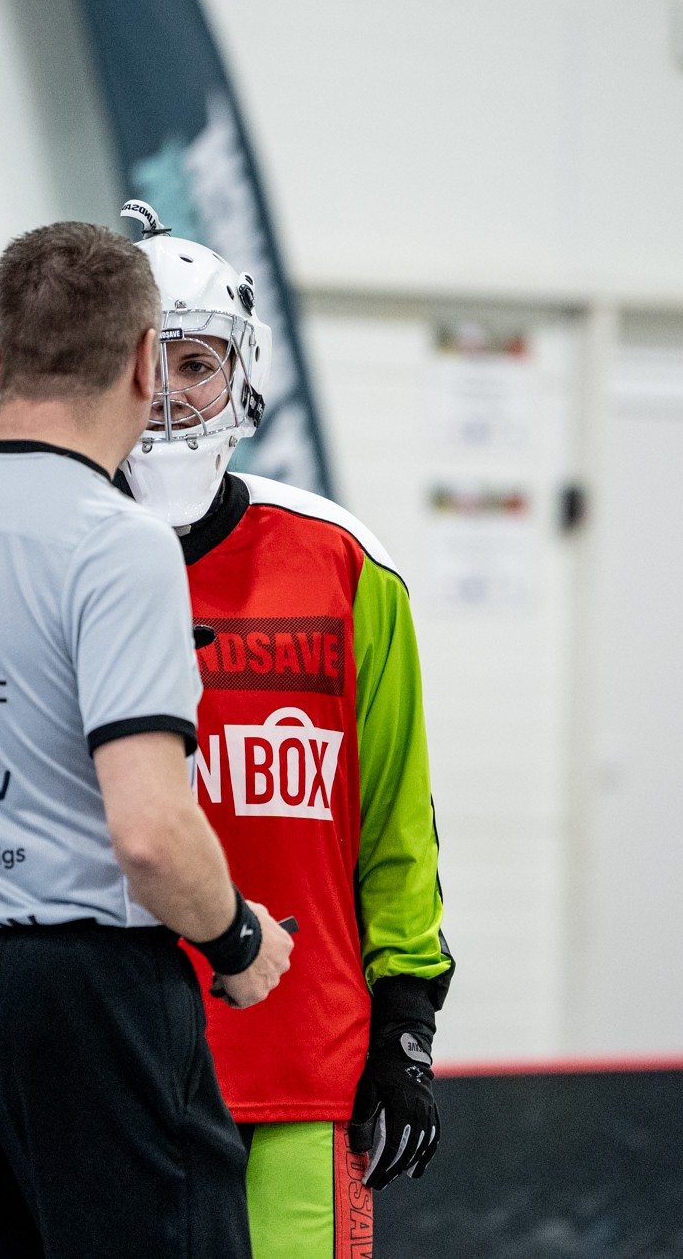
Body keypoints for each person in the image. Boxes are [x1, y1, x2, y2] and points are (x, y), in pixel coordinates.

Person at [0, 220, 294, 1259]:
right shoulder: (116, 543)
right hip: (92, 994)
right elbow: (150, 832)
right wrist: (237, 940)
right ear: (144, 363)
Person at [117, 201, 454, 1259]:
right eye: (142, 362)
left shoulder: (345, 563)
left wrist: (405, 1028)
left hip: (304, 1069)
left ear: (244, 376)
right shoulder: (53, 552)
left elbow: (394, 819)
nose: (168, 392)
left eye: (197, 363)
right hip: (109, 1071)